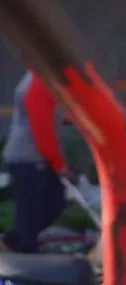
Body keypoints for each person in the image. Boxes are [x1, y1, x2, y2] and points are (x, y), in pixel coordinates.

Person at [0, 71, 68, 254]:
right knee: (32, 209)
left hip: (37, 157)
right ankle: (25, 250)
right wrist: (57, 161)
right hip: (28, 157)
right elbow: (41, 128)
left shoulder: (43, 81)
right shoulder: (38, 83)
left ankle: (14, 241)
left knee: (53, 202)